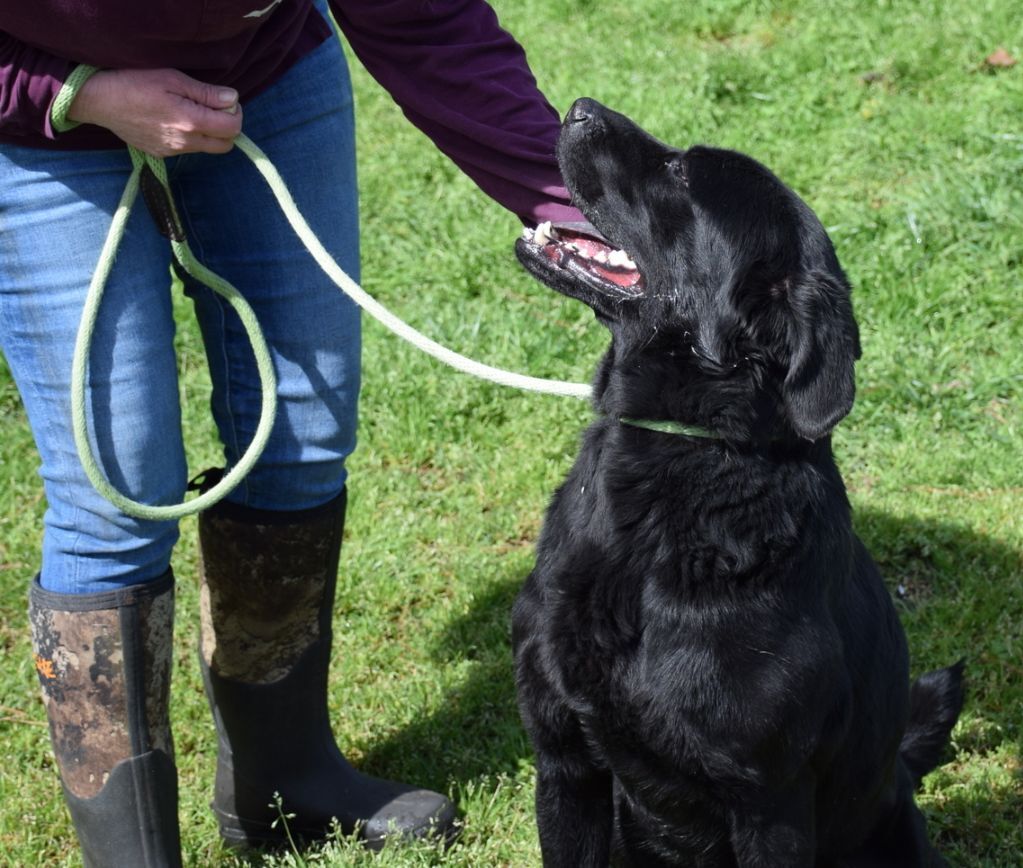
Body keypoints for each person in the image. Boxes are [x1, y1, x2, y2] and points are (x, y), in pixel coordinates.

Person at [0, 1, 587, 864]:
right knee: (117, 489)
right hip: (34, 110)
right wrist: (75, 93)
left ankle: (285, 781)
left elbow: (427, 22)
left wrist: (582, 211)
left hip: (263, 72)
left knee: (303, 429)